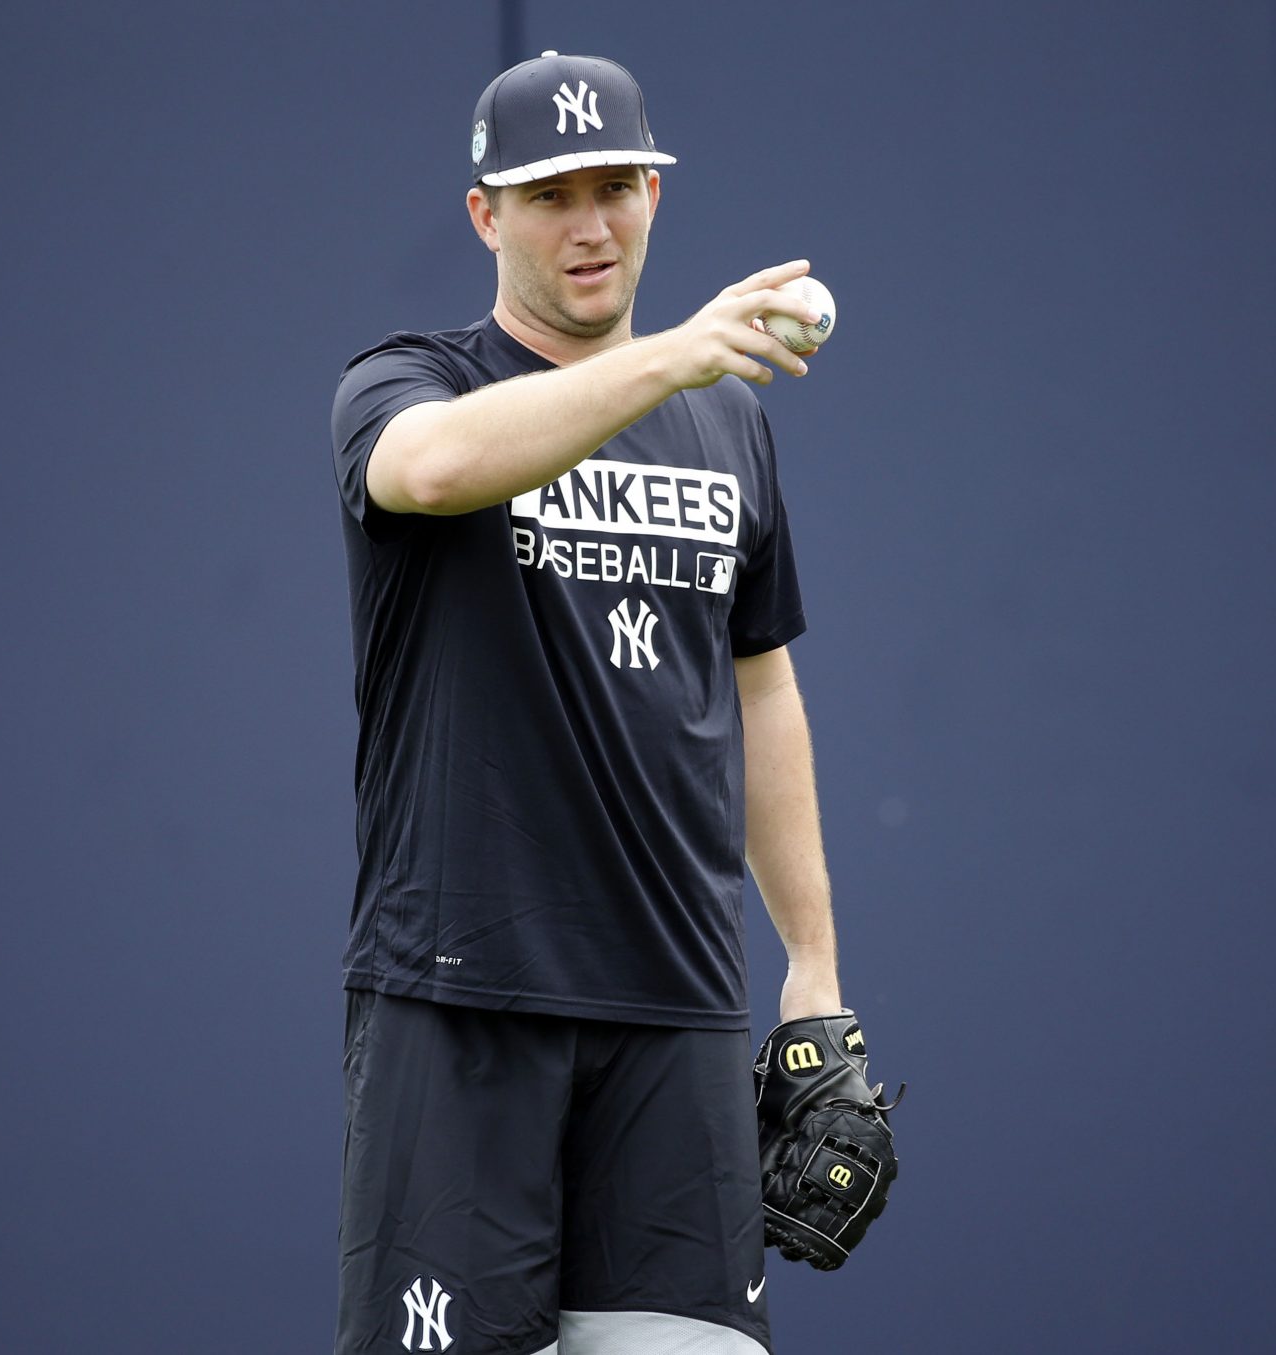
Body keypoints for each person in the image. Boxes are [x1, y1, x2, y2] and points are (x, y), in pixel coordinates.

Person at [328, 51, 844, 1355]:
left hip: (674, 999)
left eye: (617, 185)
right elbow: (430, 471)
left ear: (658, 193)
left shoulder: (728, 418)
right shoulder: (411, 380)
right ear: (484, 216)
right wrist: (669, 360)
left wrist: (814, 972)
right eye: (552, 194)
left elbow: (762, 683)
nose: (592, 223)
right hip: (466, 996)